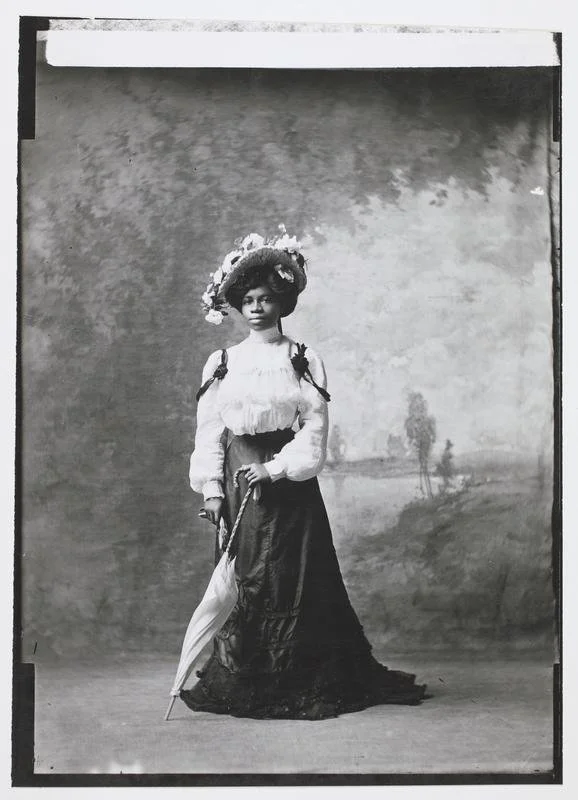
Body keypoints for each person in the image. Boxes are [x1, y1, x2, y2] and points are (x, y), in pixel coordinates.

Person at [181, 227, 427, 720]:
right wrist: (212, 489)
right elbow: (210, 431)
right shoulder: (223, 362)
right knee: (247, 576)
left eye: (266, 298)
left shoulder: (300, 357)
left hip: (287, 485)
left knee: (292, 577)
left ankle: (297, 677)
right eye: (247, 300)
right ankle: (248, 672)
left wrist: (275, 469)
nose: (256, 308)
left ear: (282, 302)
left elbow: (315, 427)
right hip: (237, 483)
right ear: (236, 306)